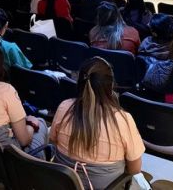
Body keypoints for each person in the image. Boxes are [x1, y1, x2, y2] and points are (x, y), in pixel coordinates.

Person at [50, 57, 144, 189]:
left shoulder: (64, 108)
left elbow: (53, 141)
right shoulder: (123, 120)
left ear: (79, 82)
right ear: (110, 86)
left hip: (65, 185)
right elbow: (135, 169)